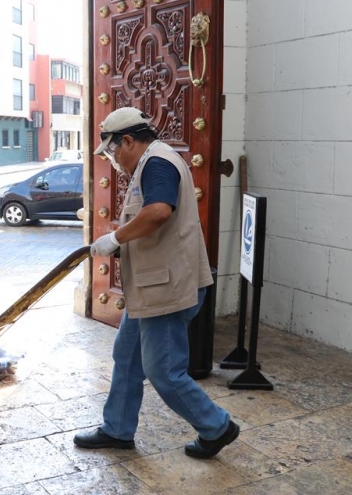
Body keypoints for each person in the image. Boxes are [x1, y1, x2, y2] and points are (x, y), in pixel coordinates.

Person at [73, 107, 239, 459]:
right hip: (151, 286)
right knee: (127, 357)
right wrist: (124, 243)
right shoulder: (151, 163)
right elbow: (154, 226)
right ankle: (117, 429)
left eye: (113, 151)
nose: (114, 160)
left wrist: (116, 238)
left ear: (128, 140)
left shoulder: (157, 163)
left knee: (164, 372)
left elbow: (159, 212)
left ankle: (217, 426)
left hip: (167, 289)